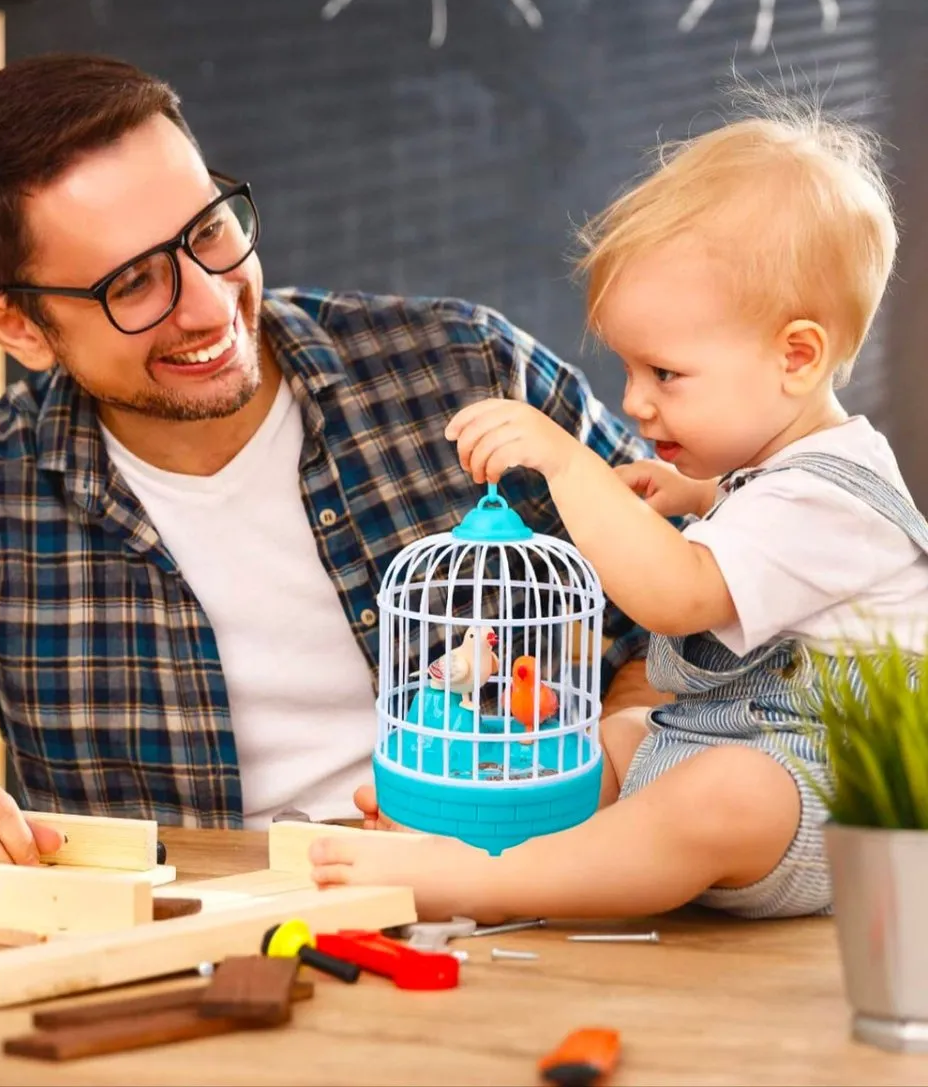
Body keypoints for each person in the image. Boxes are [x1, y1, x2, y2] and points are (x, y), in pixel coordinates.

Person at [0, 54, 657, 878]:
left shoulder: (465, 372)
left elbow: (720, 597)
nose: (211, 304)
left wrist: (616, 758)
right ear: (19, 327)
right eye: (131, 283)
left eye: (208, 230)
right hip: (180, 973)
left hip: (532, 916)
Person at [309, 94, 928, 923]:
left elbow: (676, 594)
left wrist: (572, 465)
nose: (634, 402)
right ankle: (480, 831)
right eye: (629, 371)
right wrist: (700, 495)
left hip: (841, 794)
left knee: (720, 795)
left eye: (665, 375)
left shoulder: (834, 498)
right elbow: (763, 528)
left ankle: (487, 881)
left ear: (796, 356)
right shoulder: (784, 481)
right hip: (729, 735)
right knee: (614, 743)